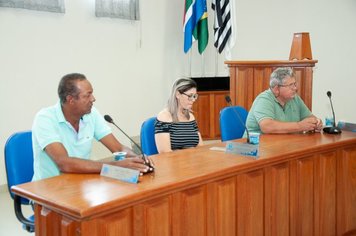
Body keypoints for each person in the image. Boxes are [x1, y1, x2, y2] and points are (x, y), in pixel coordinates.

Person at [32, 73, 150, 181]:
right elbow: (64, 163)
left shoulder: (91, 114)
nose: (93, 99)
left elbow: (118, 149)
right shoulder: (45, 118)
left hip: (82, 183)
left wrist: (139, 160)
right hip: (49, 190)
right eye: (87, 95)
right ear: (71, 99)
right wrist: (116, 166)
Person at [246, 67, 323, 134]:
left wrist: (316, 123)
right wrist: (300, 126)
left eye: (295, 84)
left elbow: (309, 117)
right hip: (256, 147)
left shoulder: (295, 98)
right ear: (276, 89)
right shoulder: (264, 100)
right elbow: (267, 127)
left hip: (283, 144)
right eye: (290, 85)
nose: (295, 88)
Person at [155, 78, 203, 153]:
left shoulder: (191, 117)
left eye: (194, 96)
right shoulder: (164, 116)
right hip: (174, 163)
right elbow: (164, 152)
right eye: (190, 96)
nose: (193, 100)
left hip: (192, 162)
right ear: (178, 94)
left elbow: (200, 146)